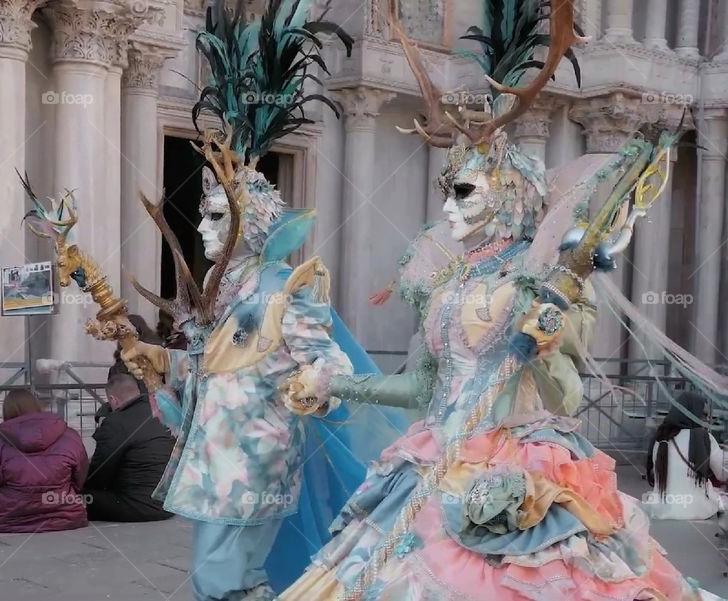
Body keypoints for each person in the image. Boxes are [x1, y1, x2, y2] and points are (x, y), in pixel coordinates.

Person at [277, 2, 724, 599]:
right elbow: (421, 389)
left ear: (508, 191)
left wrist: (545, 339)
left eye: (463, 190)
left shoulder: (540, 284)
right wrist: (338, 384)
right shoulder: (445, 287)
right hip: (434, 454)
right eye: (446, 189)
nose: (448, 206)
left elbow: (566, 394)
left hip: (519, 461)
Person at [117, 2, 382, 598]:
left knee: (225, 579)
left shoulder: (282, 292)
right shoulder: (221, 296)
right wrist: (161, 362)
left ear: (254, 228)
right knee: (224, 579)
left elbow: (328, 365)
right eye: (205, 215)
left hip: (252, 464)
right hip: (217, 462)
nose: (203, 228)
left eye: (218, 217)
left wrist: (309, 381)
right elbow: (216, 372)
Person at [0, 389, 88, 533]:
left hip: (9, 518)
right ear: (37, 406)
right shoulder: (70, 436)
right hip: (65, 515)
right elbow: (81, 478)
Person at [81, 373, 175, 522]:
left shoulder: (116, 422)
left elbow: (99, 473)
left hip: (135, 506)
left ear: (113, 400)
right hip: (166, 506)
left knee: (67, 497)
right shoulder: (163, 415)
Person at [645, 391, 727, 520]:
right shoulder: (704, 437)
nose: (706, 420)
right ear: (692, 413)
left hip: (660, 508)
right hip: (698, 509)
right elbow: (723, 473)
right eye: (703, 414)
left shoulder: (660, 438)